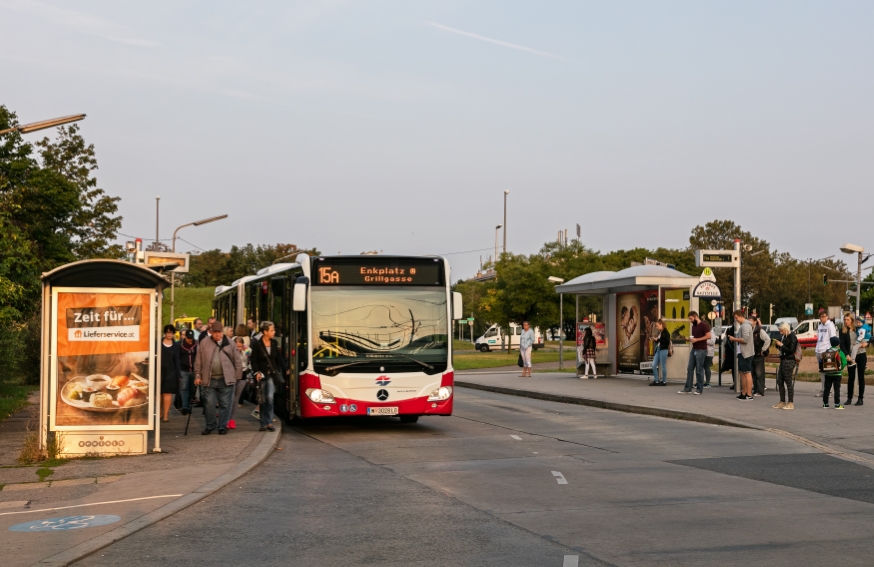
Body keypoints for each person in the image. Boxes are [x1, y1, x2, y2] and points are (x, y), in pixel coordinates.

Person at [194, 321, 242, 435]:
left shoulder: (230, 343)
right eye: (215, 332)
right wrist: (197, 375)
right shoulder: (204, 343)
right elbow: (198, 360)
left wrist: (236, 377)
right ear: (211, 332)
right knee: (209, 404)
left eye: (219, 332)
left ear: (222, 332)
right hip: (209, 379)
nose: (217, 335)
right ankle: (210, 426)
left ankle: (222, 426)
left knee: (225, 404)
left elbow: (237, 361)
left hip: (226, 379)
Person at [250, 321, 287, 432]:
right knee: (263, 399)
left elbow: (279, 358)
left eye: (274, 330)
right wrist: (256, 372)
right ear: (265, 332)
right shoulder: (257, 344)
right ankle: (263, 423)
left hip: (271, 375)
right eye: (271, 330)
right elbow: (253, 361)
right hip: (261, 376)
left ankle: (269, 422)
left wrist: (286, 368)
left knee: (270, 398)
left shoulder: (274, 343)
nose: (274, 332)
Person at [679, 311, 710, 395]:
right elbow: (695, 337)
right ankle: (688, 388)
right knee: (690, 368)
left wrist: (697, 339)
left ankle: (699, 389)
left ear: (696, 317)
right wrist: (689, 339)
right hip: (694, 348)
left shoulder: (703, 325)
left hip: (701, 349)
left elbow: (708, 335)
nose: (690, 320)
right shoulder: (694, 326)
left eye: (691, 319)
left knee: (699, 370)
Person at [729, 310, 754, 400]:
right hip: (742, 352)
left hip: (745, 353)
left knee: (747, 373)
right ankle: (744, 392)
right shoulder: (745, 325)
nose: (736, 320)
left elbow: (745, 339)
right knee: (742, 373)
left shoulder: (745, 326)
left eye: (736, 318)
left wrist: (734, 339)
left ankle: (749, 394)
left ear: (741, 316)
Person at [228, 336, 252, 429]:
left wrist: (244, 347)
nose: (239, 348)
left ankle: (232, 419)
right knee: (230, 398)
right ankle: (227, 418)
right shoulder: (230, 354)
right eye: (237, 346)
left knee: (236, 399)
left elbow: (251, 351)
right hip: (233, 376)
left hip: (242, 376)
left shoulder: (245, 353)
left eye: (240, 346)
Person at [772, 322, 798, 409]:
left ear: (785, 329)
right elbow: (783, 348)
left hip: (789, 361)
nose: (780, 332)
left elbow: (791, 350)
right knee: (780, 380)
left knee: (788, 381)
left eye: (781, 331)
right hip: (783, 360)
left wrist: (782, 345)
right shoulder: (784, 337)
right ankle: (782, 401)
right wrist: (778, 345)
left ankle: (790, 402)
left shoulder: (792, 337)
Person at [159, 324, 182, 422]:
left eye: (171, 333)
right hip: (159, 371)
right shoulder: (158, 343)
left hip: (171, 371)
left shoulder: (176, 345)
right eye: (168, 332)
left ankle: (166, 415)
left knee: (167, 393)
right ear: (165, 333)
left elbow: (177, 360)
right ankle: (159, 411)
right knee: (159, 394)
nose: (169, 334)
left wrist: (178, 374)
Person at [815, 309, 837, 397]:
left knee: (828, 371)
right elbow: (818, 338)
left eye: (823, 316)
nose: (821, 318)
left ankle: (829, 391)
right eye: (820, 317)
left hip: (826, 350)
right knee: (822, 371)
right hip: (819, 350)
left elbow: (833, 339)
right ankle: (823, 389)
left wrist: (829, 350)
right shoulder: (820, 326)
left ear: (827, 316)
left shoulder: (830, 325)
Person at [847, 316, 869, 406]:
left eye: (858, 322)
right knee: (851, 378)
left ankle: (860, 398)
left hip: (862, 355)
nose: (857, 323)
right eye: (856, 322)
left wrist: (867, 343)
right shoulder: (848, 331)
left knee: (861, 377)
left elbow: (868, 338)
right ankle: (849, 398)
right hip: (851, 356)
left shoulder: (862, 329)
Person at [749, 315, 772, 397]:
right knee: (753, 373)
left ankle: (760, 390)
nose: (750, 322)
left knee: (759, 373)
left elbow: (768, 339)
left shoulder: (759, 331)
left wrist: (763, 350)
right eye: (749, 320)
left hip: (758, 354)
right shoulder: (749, 330)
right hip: (751, 354)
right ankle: (755, 390)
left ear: (755, 321)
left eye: (751, 320)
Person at [822, 336, 846, 409]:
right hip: (837, 373)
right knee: (837, 389)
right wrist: (840, 368)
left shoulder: (827, 351)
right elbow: (844, 362)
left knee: (827, 388)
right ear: (838, 344)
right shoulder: (839, 352)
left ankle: (825, 403)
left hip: (828, 373)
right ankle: (837, 404)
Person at [178, 329, 198, 414]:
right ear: (185, 337)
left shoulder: (196, 344)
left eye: (191, 338)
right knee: (184, 388)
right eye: (188, 338)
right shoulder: (180, 344)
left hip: (193, 370)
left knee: (191, 389)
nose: (190, 340)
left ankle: (188, 406)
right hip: (183, 370)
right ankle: (185, 406)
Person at [650, 319, 670, 386]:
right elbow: (660, 341)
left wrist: (659, 340)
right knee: (653, 365)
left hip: (663, 350)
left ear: (661, 325)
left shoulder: (665, 332)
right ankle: (656, 380)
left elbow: (667, 341)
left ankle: (664, 381)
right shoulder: (660, 332)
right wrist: (656, 340)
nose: (657, 327)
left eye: (657, 326)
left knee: (663, 366)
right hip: (658, 349)